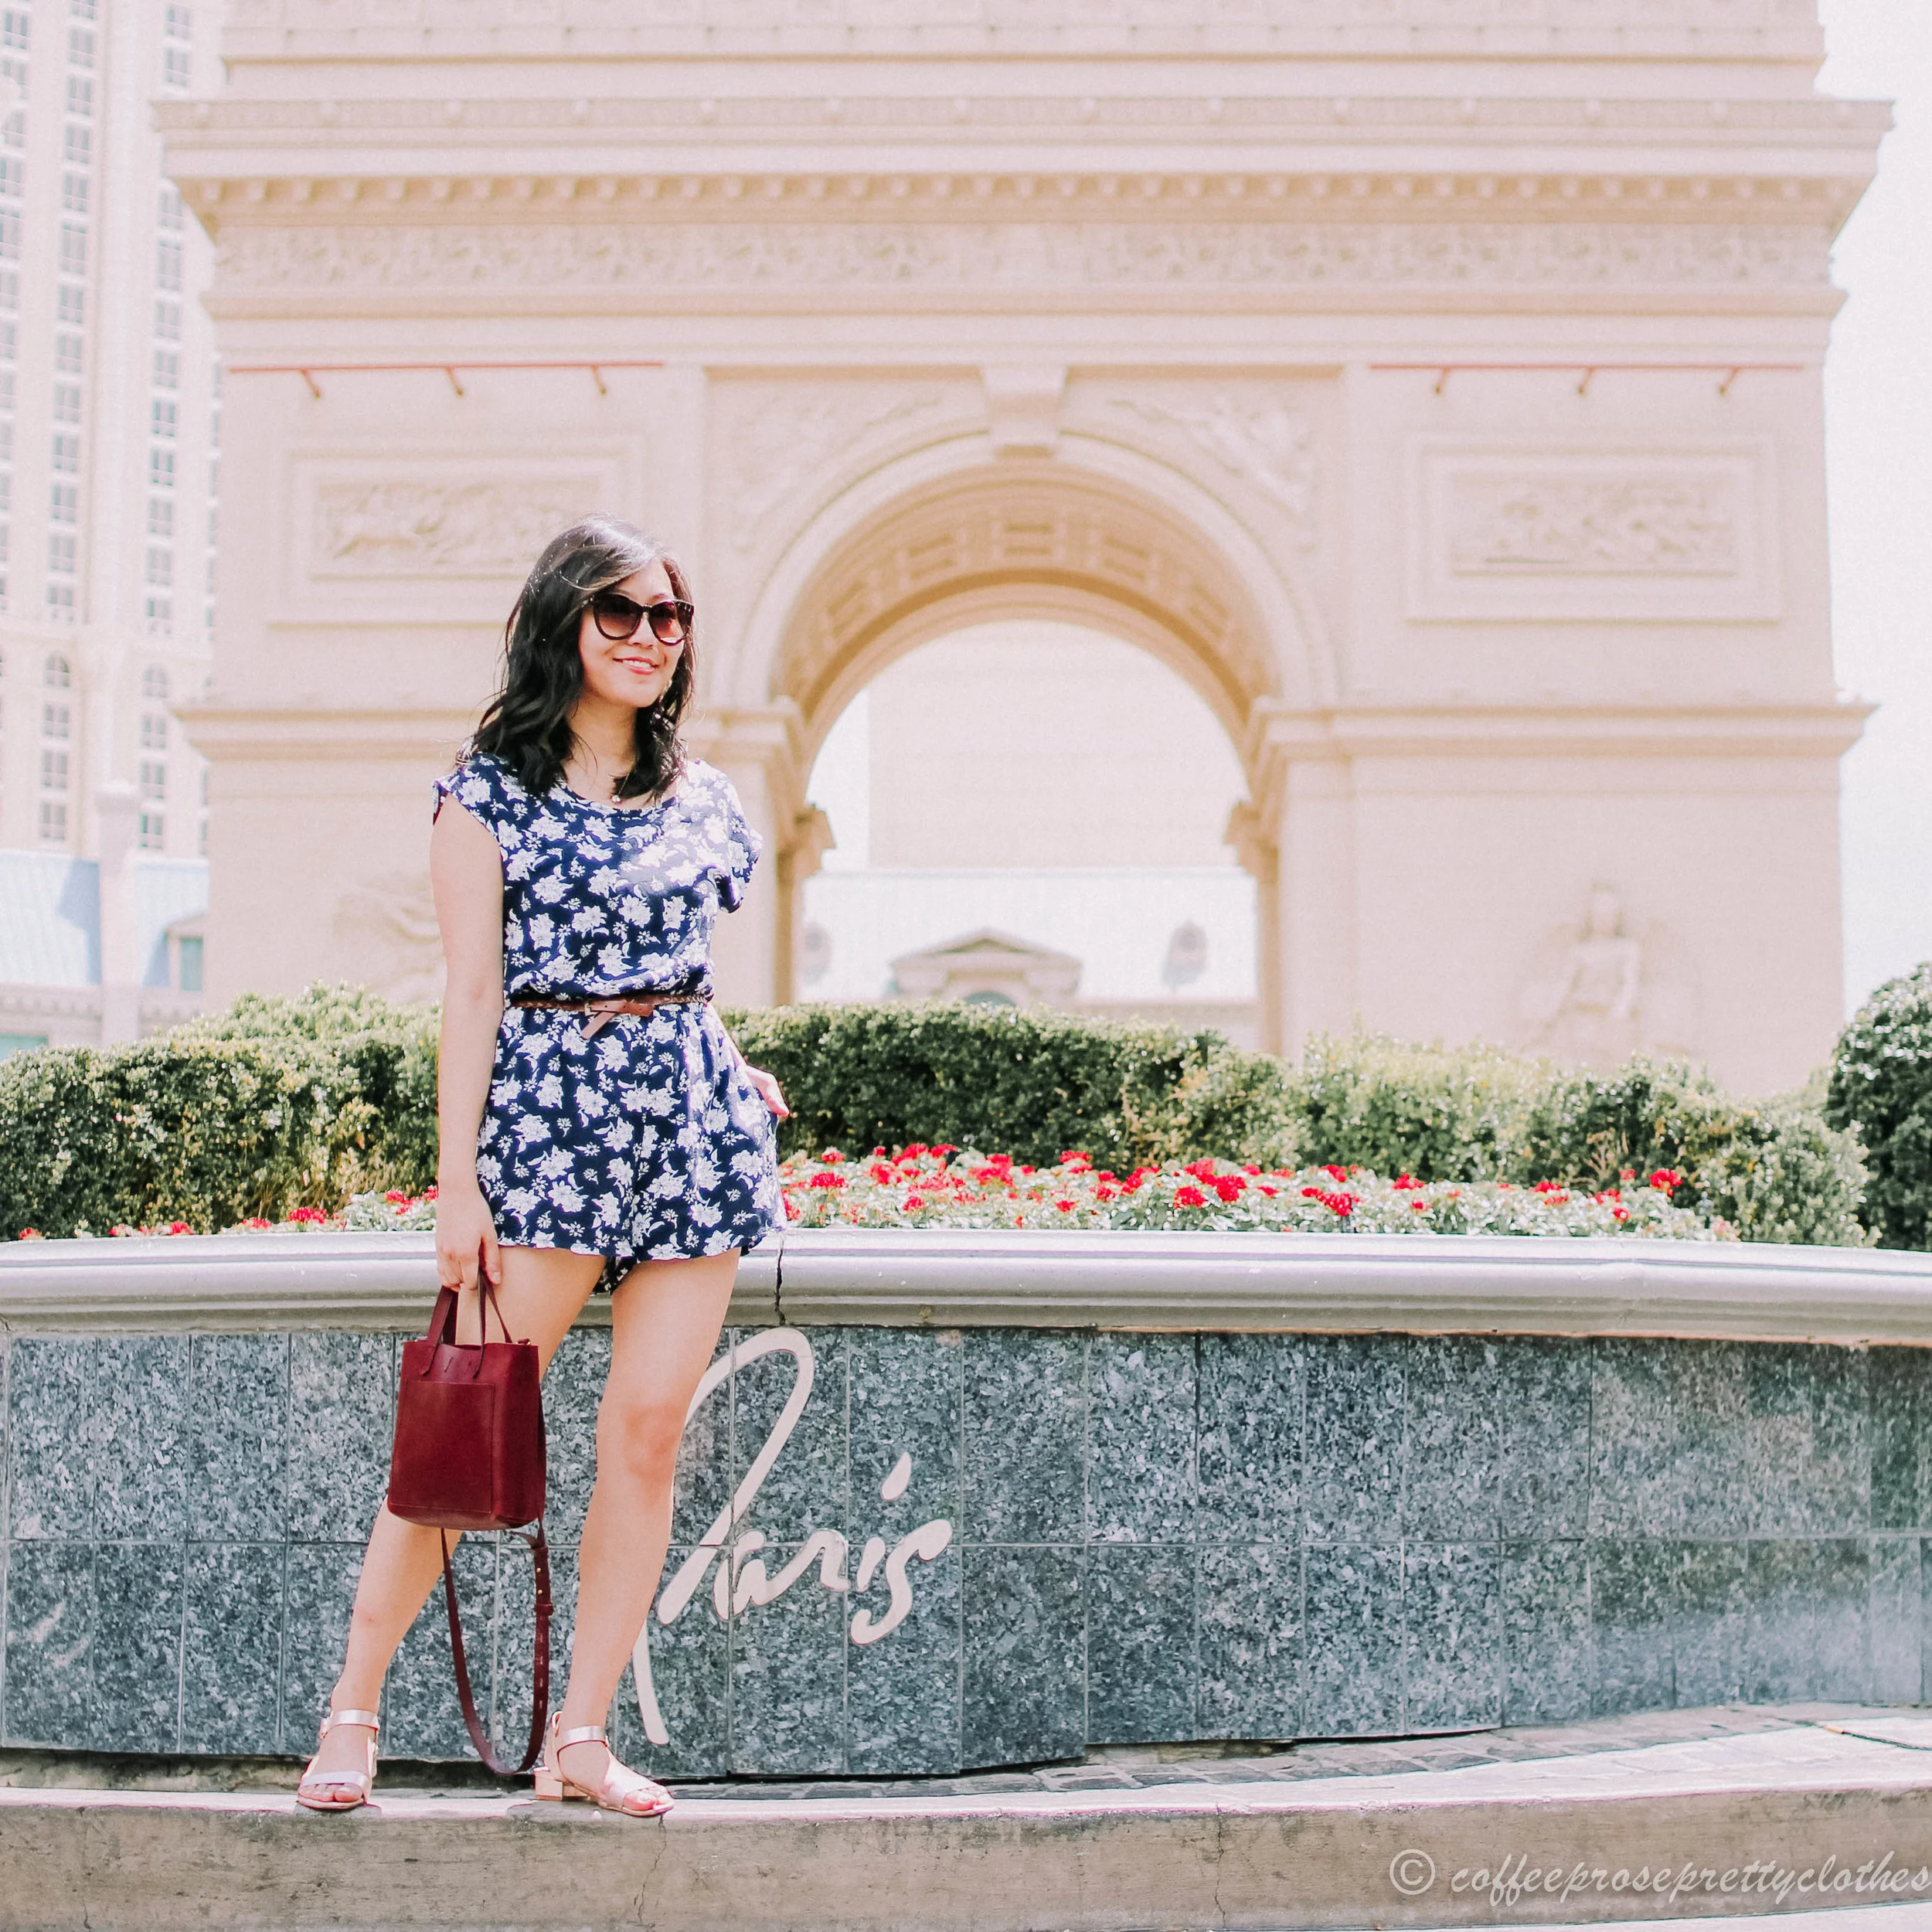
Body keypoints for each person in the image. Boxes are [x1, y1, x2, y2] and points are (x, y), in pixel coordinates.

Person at [295, 517, 788, 1817]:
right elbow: (472, 992)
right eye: (618, 612)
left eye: (668, 616)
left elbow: (684, 971)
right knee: (468, 1427)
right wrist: (457, 1184)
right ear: (560, 623)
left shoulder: (705, 795)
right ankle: (352, 1710)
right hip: (550, 1129)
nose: (647, 637)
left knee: (647, 1436)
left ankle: (579, 1739)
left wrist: (729, 1066)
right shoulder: (487, 793)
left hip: (690, 1133)